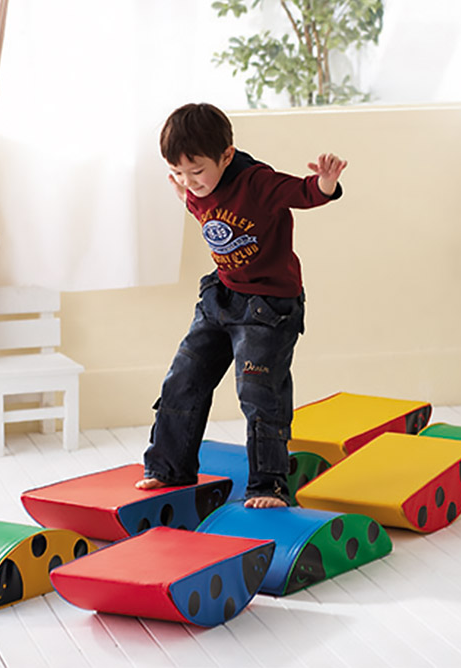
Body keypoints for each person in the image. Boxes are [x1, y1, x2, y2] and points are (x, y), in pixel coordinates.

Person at [135, 102, 347, 508]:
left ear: (227, 156)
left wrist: (325, 182)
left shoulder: (257, 183)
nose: (189, 182)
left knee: (258, 393)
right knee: (183, 379)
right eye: (178, 172)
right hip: (221, 296)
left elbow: (303, 194)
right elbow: (196, 199)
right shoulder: (191, 188)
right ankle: (169, 468)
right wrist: (185, 186)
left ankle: (269, 485)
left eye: (197, 171)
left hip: (268, 306)